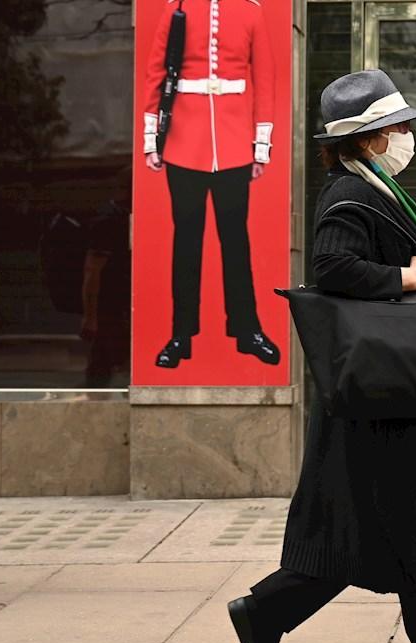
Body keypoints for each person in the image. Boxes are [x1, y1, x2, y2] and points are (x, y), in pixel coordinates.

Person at [224, 69, 416, 643]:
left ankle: (268, 613)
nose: (406, 135)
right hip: (382, 402)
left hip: (389, 394)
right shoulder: (352, 194)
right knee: (412, 526)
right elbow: (332, 267)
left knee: (372, 530)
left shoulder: (372, 188)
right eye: (398, 126)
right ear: (370, 137)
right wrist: (411, 274)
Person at [141, 0, 281, 368]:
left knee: (235, 241)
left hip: (235, 142)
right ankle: (181, 335)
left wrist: (260, 143)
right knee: (186, 243)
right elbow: (157, 72)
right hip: (184, 141)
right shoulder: (177, 8)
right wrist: (151, 137)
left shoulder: (250, 11)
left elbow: (264, 78)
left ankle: (246, 329)